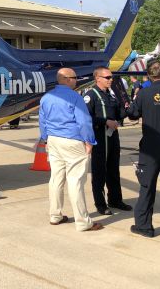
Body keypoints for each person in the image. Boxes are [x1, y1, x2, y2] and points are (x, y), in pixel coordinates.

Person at [39, 67, 102, 231]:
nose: (77, 80)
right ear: (67, 79)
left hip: (53, 140)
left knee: (56, 179)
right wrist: (89, 141)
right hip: (72, 140)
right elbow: (83, 121)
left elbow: (42, 121)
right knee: (75, 181)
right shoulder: (75, 97)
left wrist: (46, 139)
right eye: (75, 78)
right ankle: (82, 221)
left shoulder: (46, 97)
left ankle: (55, 215)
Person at [127, 61, 160, 242]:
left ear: (149, 76)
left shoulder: (144, 93)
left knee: (147, 187)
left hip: (150, 148)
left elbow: (132, 114)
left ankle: (144, 227)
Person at [84, 66, 132, 215]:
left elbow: (119, 114)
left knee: (113, 170)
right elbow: (85, 117)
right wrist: (105, 122)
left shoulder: (111, 96)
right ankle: (101, 203)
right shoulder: (91, 95)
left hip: (113, 138)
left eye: (111, 77)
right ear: (98, 78)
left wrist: (126, 107)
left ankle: (115, 200)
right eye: (108, 77)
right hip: (99, 138)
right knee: (99, 172)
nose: (111, 80)